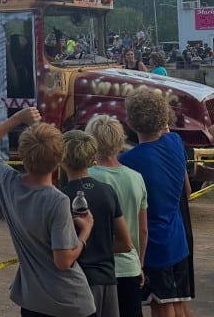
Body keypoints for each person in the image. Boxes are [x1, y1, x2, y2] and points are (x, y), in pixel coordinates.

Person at [0, 107, 96, 317]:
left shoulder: (8, 182)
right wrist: (86, 232)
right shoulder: (58, 201)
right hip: (70, 303)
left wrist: (18, 118)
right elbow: (64, 261)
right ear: (60, 159)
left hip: (33, 302)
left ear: (22, 155)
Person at [120, 88, 191, 316]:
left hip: (154, 245)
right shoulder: (175, 141)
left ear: (131, 121)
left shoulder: (129, 160)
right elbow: (186, 190)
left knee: (160, 305)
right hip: (178, 239)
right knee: (178, 301)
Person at [61, 130, 132, 317]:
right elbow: (126, 243)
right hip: (108, 280)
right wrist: (101, 246)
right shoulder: (107, 191)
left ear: (61, 159)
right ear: (93, 156)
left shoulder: (60, 197)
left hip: (78, 282)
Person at [86, 115, 148, 317]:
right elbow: (143, 230)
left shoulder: (88, 178)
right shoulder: (136, 178)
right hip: (129, 267)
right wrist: (139, 263)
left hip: (96, 269)